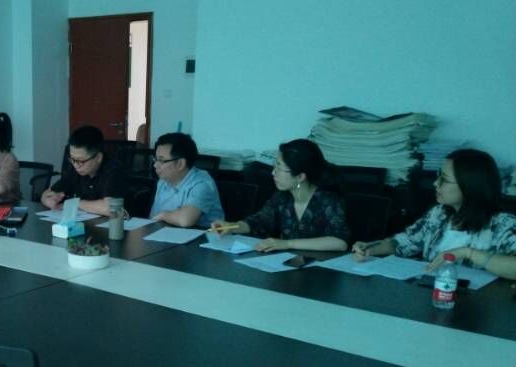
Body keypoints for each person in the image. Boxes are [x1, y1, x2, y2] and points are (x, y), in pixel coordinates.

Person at [353, 149, 516, 279]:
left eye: (444, 180)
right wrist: (370, 249)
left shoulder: (503, 224)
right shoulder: (438, 214)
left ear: (469, 186)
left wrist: (467, 253)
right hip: (433, 294)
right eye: (438, 176)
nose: (435, 183)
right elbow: (405, 242)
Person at [211, 138, 349, 252]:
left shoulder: (329, 200)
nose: (273, 172)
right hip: (287, 266)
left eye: (279, 168)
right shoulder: (282, 197)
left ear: (300, 177)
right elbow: (259, 222)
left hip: (321, 270)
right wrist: (231, 227)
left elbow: (339, 242)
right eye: (275, 165)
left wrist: (287, 244)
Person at [41, 125, 127, 216]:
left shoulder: (114, 171)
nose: (76, 165)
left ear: (98, 157)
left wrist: (74, 203)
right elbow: (47, 193)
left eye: (81, 161)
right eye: (72, 159)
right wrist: (48, 200)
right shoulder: (75, 169)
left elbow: (111, 208)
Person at [149, 132, 223, 228]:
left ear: (180, 164)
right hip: (169, 233)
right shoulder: (163, 182)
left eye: (161, 160)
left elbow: (186, 220)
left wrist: (164, 215)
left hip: (203, 236)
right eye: (155, 159)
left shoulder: (202, 183)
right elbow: (153, 219)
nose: (155, 165)